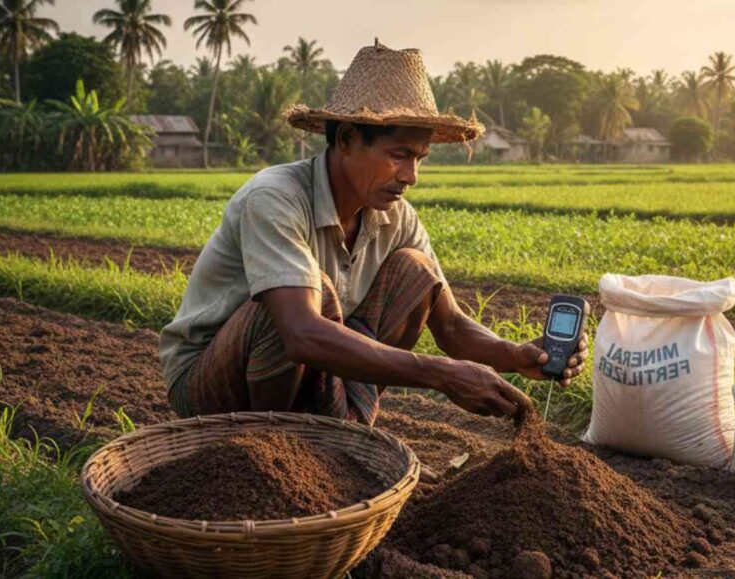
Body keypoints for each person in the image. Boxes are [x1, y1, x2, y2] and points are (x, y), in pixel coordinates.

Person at [159, 41, 587, 425]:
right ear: (346, 139)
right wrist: (439, 374)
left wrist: (514, 355)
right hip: (210, 383)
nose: (411, 176)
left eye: (419, 158)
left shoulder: (396, 216)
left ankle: (334, 431)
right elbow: (301, 332)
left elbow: (451, 326)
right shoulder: (275, 197)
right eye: (399, 155)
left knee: (416, 270)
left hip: (304, 375)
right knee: (300, 298)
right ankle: (267, 444)